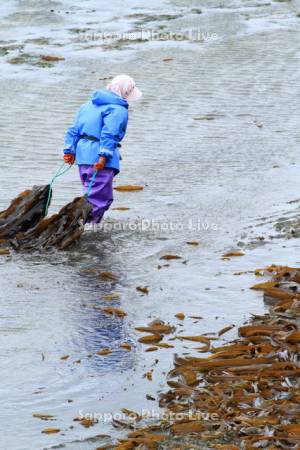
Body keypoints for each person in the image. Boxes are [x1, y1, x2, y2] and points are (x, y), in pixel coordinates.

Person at [63, 74, 142, 224]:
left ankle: (83, 225)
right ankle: (84, 229)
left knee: (89, 192)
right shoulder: (117, 109)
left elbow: (73, 130)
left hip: (83, 156)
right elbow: (109, 134)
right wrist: (103, 157)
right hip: (99, 157)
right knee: (100, 199)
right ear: (125, 92)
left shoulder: (87, 105)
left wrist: (69, 151)